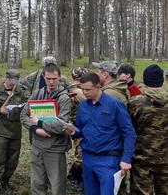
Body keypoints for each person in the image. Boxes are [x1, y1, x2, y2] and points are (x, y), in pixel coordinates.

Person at [65, 72, 136, 195]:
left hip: (109, 159)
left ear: (98, 87)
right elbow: (82, 129)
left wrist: (126, 159)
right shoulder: (82, 106)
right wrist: (73, 132)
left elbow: (129, 133)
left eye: (88, 89)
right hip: (88, 158)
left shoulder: (115, 104)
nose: (84, 93)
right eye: (82, 89)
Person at [20, 62, 72, 195]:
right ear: (43, 77)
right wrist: (36, 129)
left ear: (59, 77)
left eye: (54, 78)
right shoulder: (37, 94)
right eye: (48, 78)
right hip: (37, 146)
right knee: (37, 183)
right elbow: (23, 115)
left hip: (55, 149)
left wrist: (40, 123)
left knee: (57, 185)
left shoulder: (64, 98)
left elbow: (61, 125)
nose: (51, 82)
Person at [128, 64, 168, 195]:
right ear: (162, 80)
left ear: (144, 81)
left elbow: (128, 128)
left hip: (142, 160)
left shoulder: (136, 103)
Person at [0, 69, 27, 193]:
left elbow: (23, 108)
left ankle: (6, 181)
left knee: (12, 160)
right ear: (6, 78)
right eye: (11, 81)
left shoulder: (20, 92)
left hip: (15, 131)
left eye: (15, 82)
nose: (13, 84)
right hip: (0, 130)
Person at [66, 67, 88, 192]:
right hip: (79, 125)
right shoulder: (79, 93)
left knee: (79, 151)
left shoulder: (70, 89)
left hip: (75, 125)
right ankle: (74, 177)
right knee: (81, 154)